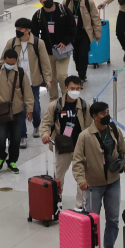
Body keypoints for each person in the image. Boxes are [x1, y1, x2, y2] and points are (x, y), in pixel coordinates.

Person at [72, 101, 125, 248]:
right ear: (94, 117)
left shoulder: (114, 130)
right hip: (94, 186)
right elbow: (77, 161)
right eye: (103, 114)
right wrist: (81, 180)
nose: (107, 116)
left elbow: (124, 153)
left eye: (108, 112)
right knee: (92, 219)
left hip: (113, 181)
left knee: (113, 219)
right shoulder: (85, 136)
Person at [39, 76, 92, 209]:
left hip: (80, 147)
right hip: (62, 147)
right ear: (66, 88)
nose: (75, 91)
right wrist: (45, 135)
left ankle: (81, 206)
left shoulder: (85, 106)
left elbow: (90, 127)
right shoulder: (55, 105)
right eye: (72, 88)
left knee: (82, 178)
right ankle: (56, 204)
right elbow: (46, 123)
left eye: (78, 88)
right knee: (59, 177)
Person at [0, 18, 52, 149]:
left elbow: (45, 62)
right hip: (17, 82)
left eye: (20, 28)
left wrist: (48, 79)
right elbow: (2, 59)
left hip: (33, 81)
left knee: (34, 107)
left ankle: (36, 125)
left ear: (28, 30)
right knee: (20, 109)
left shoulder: (38, 43)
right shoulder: (11, 43)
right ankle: (22, 136)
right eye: (16, 28)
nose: (18, 31)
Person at [31, 0, 77, 102]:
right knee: (50, 78)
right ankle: (54, 100)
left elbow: (72, 28)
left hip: (63, 50)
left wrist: (65, 41)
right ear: (40, 1)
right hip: (47, 52)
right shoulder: (38, 16)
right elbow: (34, 35)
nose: (48, 0)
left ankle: (66, 98)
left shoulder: (63, 10)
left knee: (61, 75)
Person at [63, 0, 102, 84]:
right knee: (75, 56)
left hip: (84, 33)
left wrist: (97, 33)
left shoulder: (88, 1)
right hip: (72, 34)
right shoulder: (66, 1)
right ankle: (80, 71)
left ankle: (82, 75)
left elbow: (95, 18)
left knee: (83, 55)